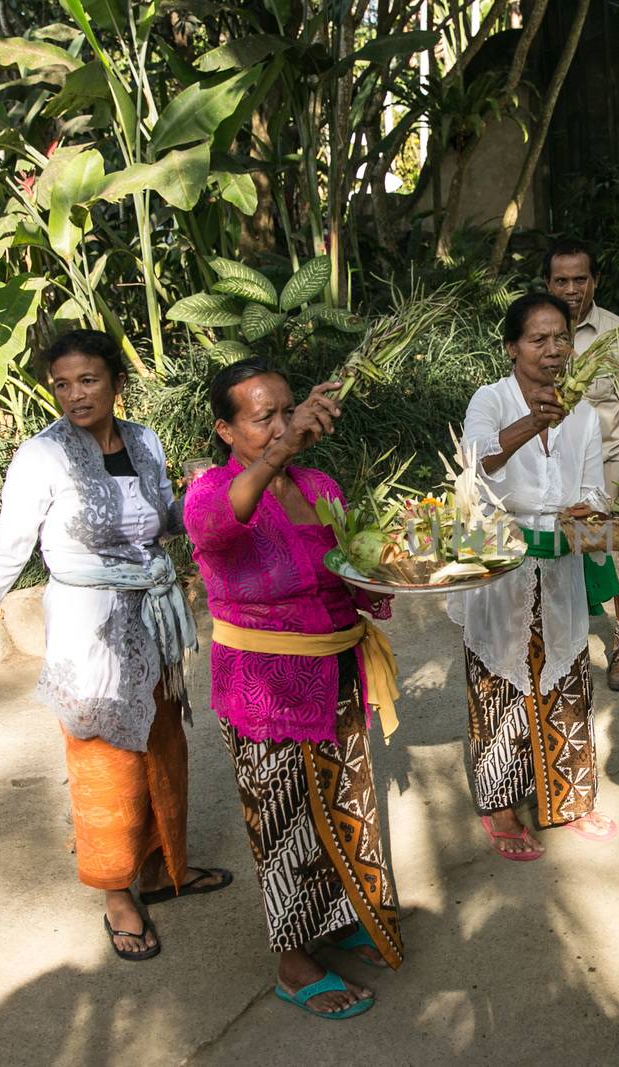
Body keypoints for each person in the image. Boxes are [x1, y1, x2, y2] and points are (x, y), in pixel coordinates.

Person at [0, 329, 229, 962]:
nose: (75, 395)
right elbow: (8, 552)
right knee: (104, 765)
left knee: (161, 747)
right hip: (88, 630)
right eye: (63, 384)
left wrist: (202, 489)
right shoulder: (41, 457)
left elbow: (168, 523)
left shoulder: (145, 442)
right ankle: (117, 897)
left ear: (115, 383)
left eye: (88, 380)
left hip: (153, 621)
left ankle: (158, 871)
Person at [183, 358, 404, 1020]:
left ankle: (339, 917)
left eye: (288, 410)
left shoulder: (318, 483)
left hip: (336, 669)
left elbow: (345, 568)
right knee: (283, 824)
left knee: (344, 803)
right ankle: (293, 958)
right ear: (226, 429)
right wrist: (278, 452)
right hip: (264, 684)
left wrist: (395, 566)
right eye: (263, 417)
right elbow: (218, 529)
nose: (282, 425)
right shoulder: (210, 493)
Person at [447, 292, 619, 860]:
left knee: (566, 670)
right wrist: (528, 424)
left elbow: (594, 487)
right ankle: (500, 806)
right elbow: (473, 461)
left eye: (561, 339)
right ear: (512, 348)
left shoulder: (585, 414)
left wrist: (587, 511)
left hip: (562, 558)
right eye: (538, 340)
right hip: (498, 564)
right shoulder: (490, 399)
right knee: (499, 679)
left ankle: (571, 798)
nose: (553, 351)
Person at [544, 239, 619, 691]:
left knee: (618, 552)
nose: (571, 289)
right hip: (551, 465)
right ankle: (560, 647)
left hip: (608, 462)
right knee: (550, 556)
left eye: (579, 279)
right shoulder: (535, 330)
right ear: (547, 283)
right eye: (561, 280)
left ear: (594, 281)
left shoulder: (617, 332)